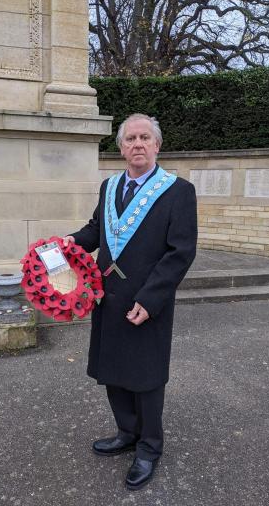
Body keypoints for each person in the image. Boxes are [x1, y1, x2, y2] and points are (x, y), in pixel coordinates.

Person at [63, 113, 197, 491]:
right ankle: (127, 432)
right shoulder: (109, 186)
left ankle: (150, 447)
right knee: (113, 370)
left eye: (145, 138)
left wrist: (151, 299)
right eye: (130, 139)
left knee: (147, 377)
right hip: (107, 296)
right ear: (121, 148)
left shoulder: (178, 191)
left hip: (146, 302)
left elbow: (180, 252)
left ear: (157, 145)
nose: (137, 144)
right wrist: (68, 243)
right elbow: (97, 231)